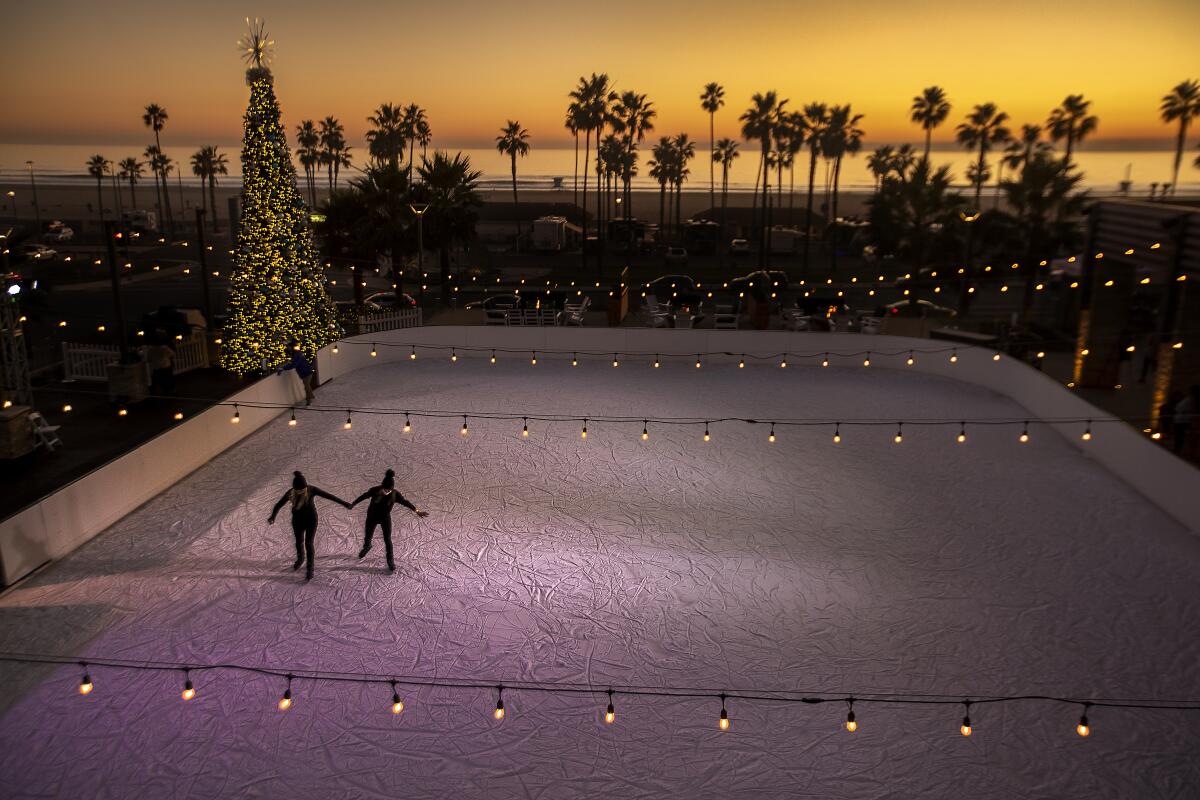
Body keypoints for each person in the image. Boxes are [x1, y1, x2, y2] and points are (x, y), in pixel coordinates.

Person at [268, 471, 351, 581]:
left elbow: (329, 496)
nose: (301, 492)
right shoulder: (290, 493)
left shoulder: (311, 490)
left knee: (309, 543)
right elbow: (279, 504)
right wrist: (273, 516)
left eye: (302, 490)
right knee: (298, 541)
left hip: (311, 520)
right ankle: (300, 558)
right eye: (298, 490)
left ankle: (310, 567)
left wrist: (344, 503)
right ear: (294, 489)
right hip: (297, 521)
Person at [351, 469, 428, 572]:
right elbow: (363, 496)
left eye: (389, 490)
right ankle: (367, 546)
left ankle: (390, 560)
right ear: (382, 486)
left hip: (385, 519)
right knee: (368, 535)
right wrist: (353, 504)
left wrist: (417, 510)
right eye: (385, 489)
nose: (387, 491)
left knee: (387, 539)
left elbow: (405, 502)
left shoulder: (395, 494)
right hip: (371, 517)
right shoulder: (374, 490)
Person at [281, 341, 316, 405]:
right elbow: (293, 363)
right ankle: (311, 397)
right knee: (306, 386)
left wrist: (284, 368)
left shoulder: (297, 354)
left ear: (291, 347)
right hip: (305, 372)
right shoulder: (296, 354)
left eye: (289, 347)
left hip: (307, 372)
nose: (288, 348)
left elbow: (294, 365)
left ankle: (309, 400)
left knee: (306, 386)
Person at [145, 331, 176, 396]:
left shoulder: (151, 350)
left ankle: (163, 391)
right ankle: (170, 391)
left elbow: (148, 359)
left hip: (157, 367)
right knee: (168, 379)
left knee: (160, 381)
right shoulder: (164, 348)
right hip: (166, 366)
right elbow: (172, 354)